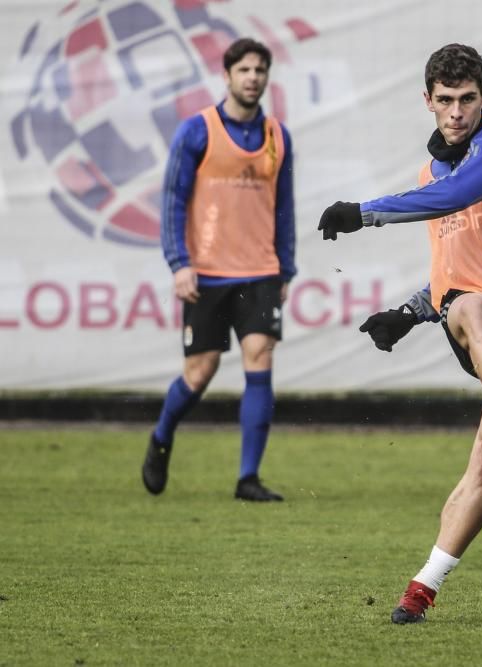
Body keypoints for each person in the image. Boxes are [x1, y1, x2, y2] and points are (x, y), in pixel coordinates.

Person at [317, 43, 482, 623]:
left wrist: (363, 212)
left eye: (467, 99)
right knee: (471, 304)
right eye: (445, 101)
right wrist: (409, 313)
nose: (456, 111)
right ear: (427, 102)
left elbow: (455, 198)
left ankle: (423, 587)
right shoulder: (430, 172)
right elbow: (454, 273)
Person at [141, 37, 296, 502]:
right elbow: (172, 200)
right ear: (226, 76)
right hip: (206, 273)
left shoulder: (277, 136)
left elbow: (283, 207)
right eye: (245, 70)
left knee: (260, 358)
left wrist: (285, 267)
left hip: (260, 272)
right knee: (199, 373)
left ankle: (248, 478)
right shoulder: (197, 130)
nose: (253, 77)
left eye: (260, 70)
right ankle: (162, 434)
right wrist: (179, 263)